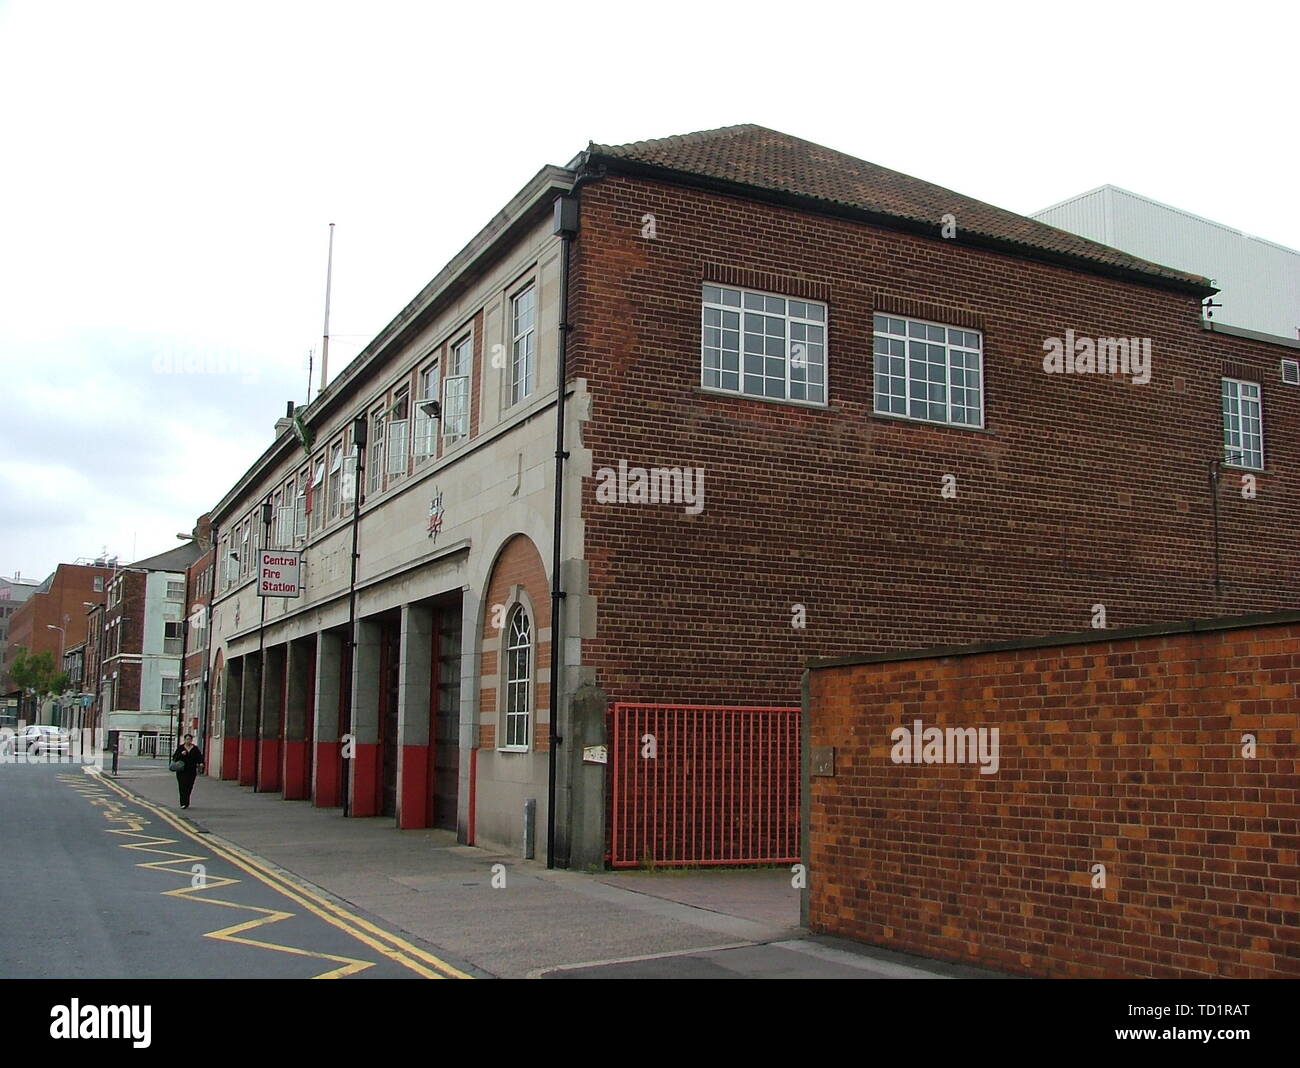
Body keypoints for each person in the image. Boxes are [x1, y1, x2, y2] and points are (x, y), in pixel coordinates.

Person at [171, 734, 204, 809]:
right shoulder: (181, 748)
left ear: (192, 740)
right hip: (182, 770)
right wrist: (181, 754)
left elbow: (199, 757)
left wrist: (201, 763)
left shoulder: (195, 748)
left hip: (191, 770)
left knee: (189, 786)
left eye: (190, 739)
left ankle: (187, 801)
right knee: (182, 786)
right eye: (187, 739)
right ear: (184, 740)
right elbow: (175, 758)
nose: (188, 741)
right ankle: (183, 803)